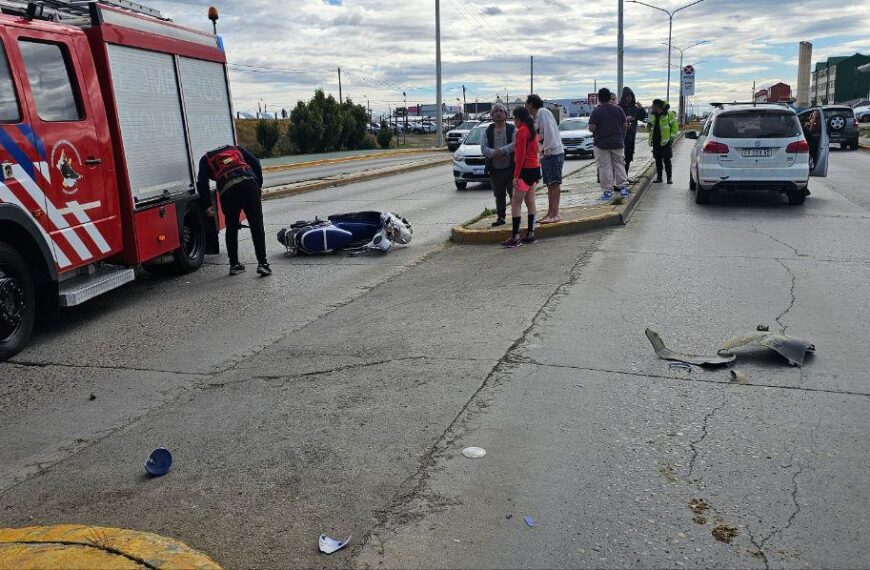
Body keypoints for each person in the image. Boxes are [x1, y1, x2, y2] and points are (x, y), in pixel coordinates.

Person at [196, 145, 271, 276]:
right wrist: (258, 185)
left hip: (228, 190)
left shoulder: (205, 159)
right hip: (249, 183)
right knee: (256, 225)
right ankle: (263, 264)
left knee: (231, 227)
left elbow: (202, 182)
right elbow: (255, 162)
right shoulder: (237, 149)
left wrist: (207, 205)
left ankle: (234, 265)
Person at [502, 107, 540, 248]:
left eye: (514, 118)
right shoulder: (532, 131)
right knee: (530, 201)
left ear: (518, 118)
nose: (513, 121)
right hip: (535, 169)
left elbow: (520, 155)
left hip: (525, 170)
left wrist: (516, 175)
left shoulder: (522, 131)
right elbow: (537, 150)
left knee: (516, 203)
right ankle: (531, 234)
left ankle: (515, 237)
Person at [525, 94, 564, 224]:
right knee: (549, 185)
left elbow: (549, 131)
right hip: (546, 154)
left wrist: (547, 149)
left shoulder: (542, 112)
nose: (526, 106)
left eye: (526, 104)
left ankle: (555, 213)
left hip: (552, 153)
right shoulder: (536, 116)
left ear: (530, 104)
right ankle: (550, 212)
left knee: (554, 183)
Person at [588, 87, 629, 200]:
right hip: (617, 142)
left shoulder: (597, 111)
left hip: (601, 144)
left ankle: (607, 191)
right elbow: (625, 125)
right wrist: (621, 136)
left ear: (599, 98)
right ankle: (623, 188)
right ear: (609, 97)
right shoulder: (618, 109)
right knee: (619, 164)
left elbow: (591, 128)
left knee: (605, 167)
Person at [479, 103, 516, 226]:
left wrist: (503, 151)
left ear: (506, 114)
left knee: (514, 194)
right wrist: (493, 153)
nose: (498, 113)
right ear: (492, 115)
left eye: (501, 111)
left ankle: (516, 217)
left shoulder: (512, 129)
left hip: (511, 169)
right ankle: (501, 218)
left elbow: (516, 143)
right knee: (499, 195)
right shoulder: (488, 130)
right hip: (495, 169)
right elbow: (483, 147)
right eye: (495, 111)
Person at [648, 99, 679, 184]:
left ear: (658, 106)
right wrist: (649, 125)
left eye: (653, 105)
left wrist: (672, 138)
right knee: (658, 160)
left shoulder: (669, 114)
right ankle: (659, 178)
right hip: (656, 141)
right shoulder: (652, 115)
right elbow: (649, 128)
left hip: (666, 142)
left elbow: (675, 127)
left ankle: (669, 178)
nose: (652, 106)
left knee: (667, 160)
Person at [619, 87, 646, 178]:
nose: (628, 98)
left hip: (631, 136)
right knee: (620, 159)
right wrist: (625, 120)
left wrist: (641, 108)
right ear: (623, 97)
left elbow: (642, 117)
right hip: (621, 137)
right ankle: (621, 178)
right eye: (626, 96)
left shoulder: (634, 108)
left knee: (629, 157)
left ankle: (625, 176)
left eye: (630, 96)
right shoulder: (619, 107)